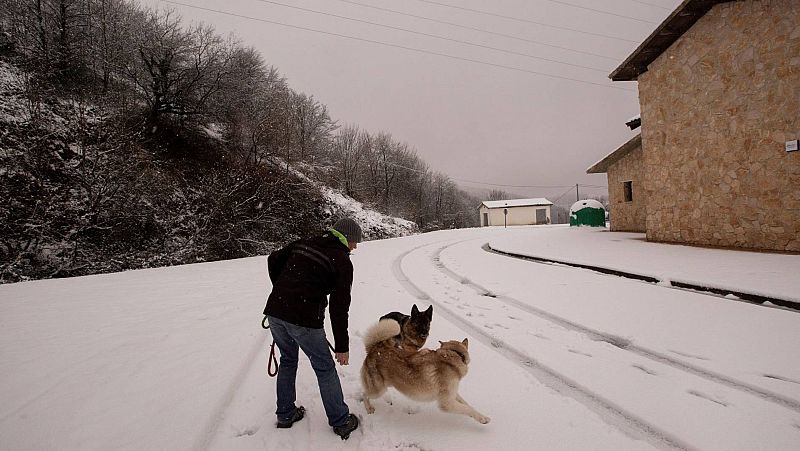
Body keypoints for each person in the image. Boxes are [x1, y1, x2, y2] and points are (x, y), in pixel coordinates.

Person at [263, 218, 362, 439]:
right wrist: (342, 347)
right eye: (355, 242)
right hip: (303, 319)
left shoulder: (304, 242)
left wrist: (283, 290)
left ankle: (285, 414)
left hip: (276, 311)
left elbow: (274, 259)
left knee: (288, 360)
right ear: (346, 237)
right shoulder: (342, 261)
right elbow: (339, 309)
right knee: (324, 367)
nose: (355, 247)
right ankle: (341, 421)